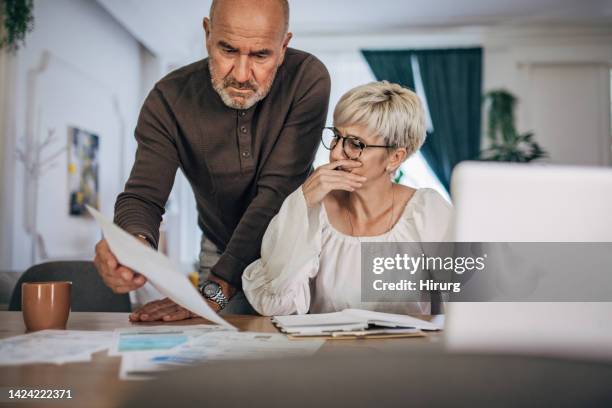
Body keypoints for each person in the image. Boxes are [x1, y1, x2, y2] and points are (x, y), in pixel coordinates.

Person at [93, 0, 330, 321]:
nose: (242, 74)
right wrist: (133, 245)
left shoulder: (307, 79)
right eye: (228, 51)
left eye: (261, 55)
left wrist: (219, 287)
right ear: (207, 33)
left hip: (294, 251)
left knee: (300, 361)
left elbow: (277, 192)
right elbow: (143, 195)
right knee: (215, 360)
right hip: (219, 248)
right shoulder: (168, 99)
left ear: (284, 45)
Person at [242, 81, 453, 316]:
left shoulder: (426, 211)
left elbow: (470, 304)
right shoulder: (315, 211)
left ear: (395, 158)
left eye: (355, 144)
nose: (334, 153)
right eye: (336, 136)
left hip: (407, 352)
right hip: (324, 352)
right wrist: (302, 204)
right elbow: (276, 305)